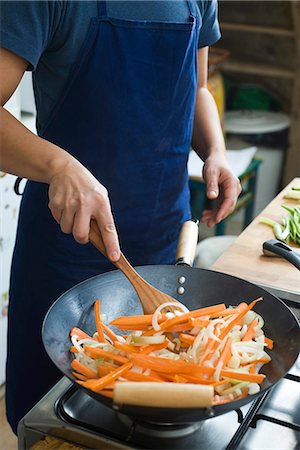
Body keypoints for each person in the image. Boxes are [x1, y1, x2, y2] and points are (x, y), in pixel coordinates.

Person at [0, 0, 241, 433]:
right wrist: (59, 167)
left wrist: (216, 151)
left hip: (163, 240)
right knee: (51, 424)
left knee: (149, 424)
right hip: (64, 251)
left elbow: (199, 88)